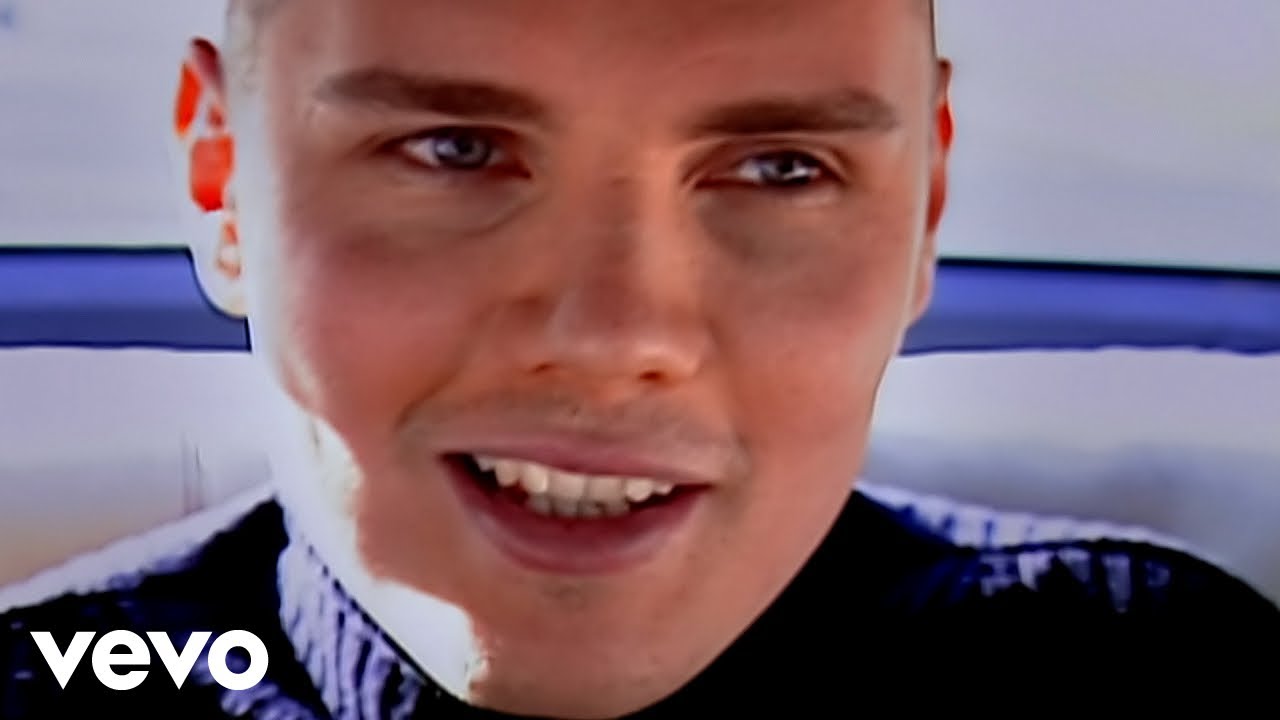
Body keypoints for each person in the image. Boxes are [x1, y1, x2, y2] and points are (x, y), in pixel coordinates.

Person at [2, 1, 1278, 717]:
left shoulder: (1141, 675)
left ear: (925, 212)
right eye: (453, 151)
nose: (612, 339)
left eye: (779, 169)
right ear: (224, 185)